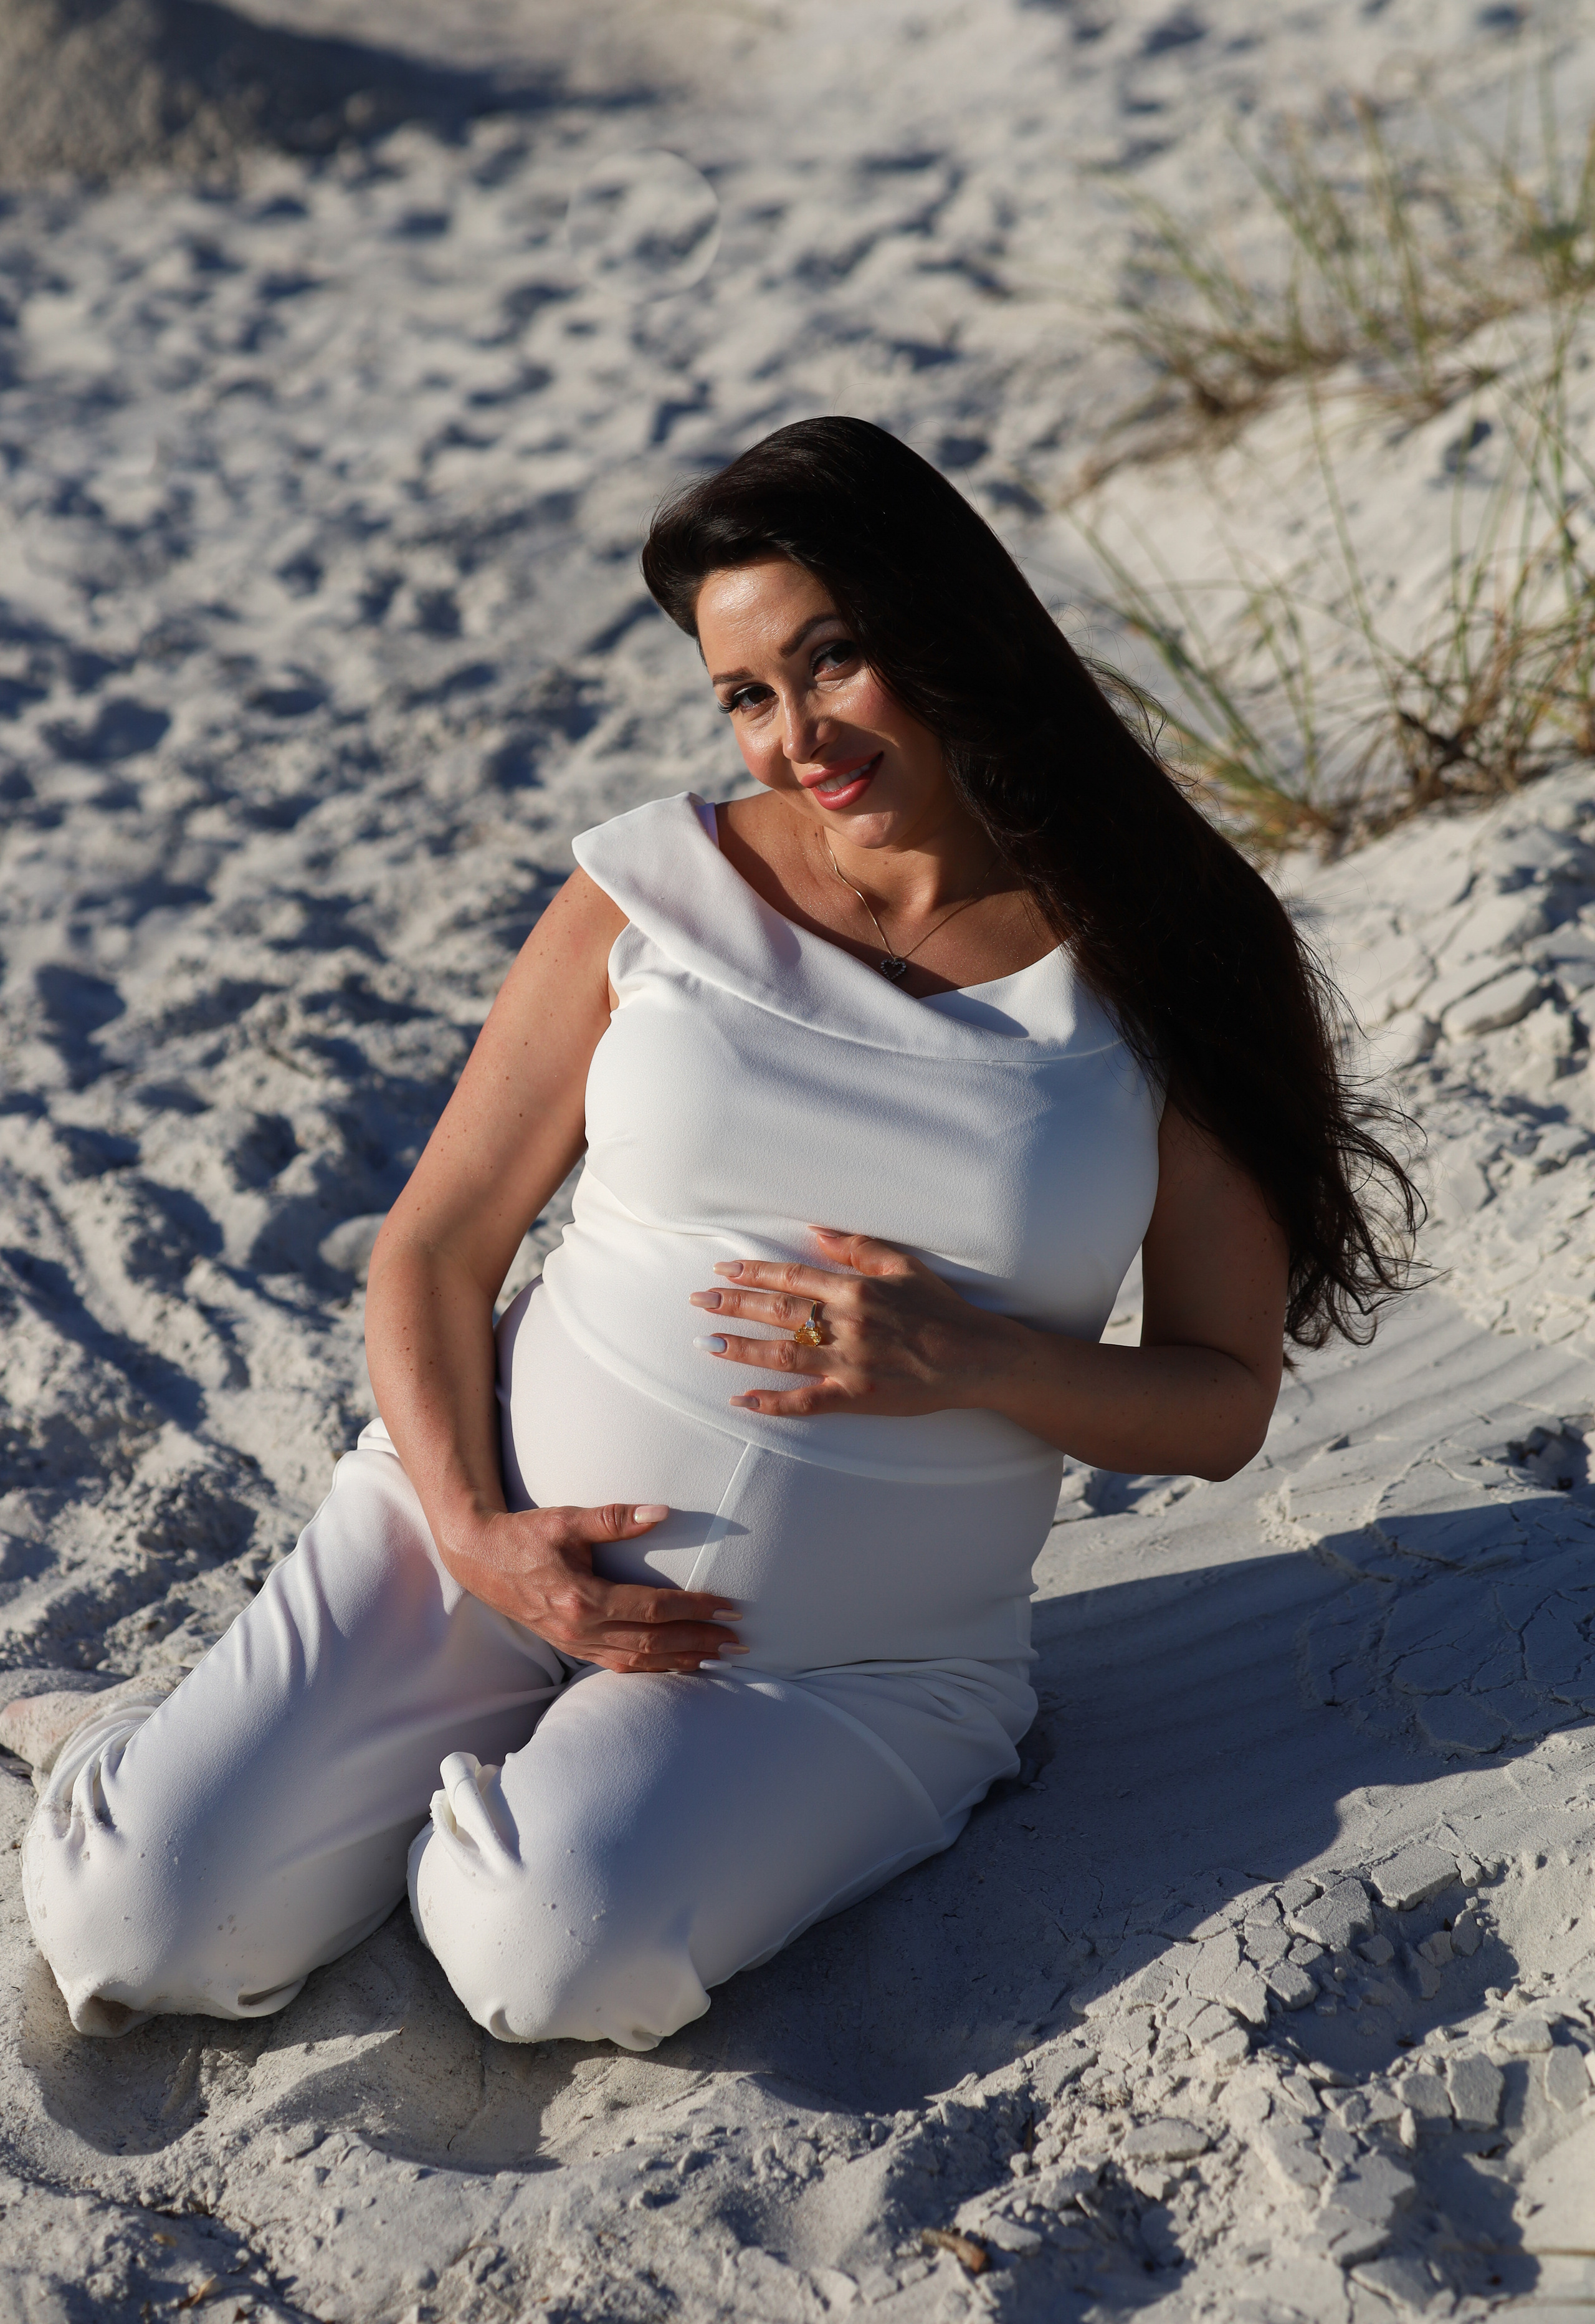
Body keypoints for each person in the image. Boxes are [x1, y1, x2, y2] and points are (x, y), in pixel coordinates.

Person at [15, 418, 1415, 2049]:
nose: (795, 735)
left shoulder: (1167, 957)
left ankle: (545, 1786)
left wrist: (975, 1355)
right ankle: (191, 1746)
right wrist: (473, 1530)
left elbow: (1224, 1399)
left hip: (841, 1661)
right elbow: (437, 1246)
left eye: (834, 663)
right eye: (746, 695)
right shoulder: (649, 889)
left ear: (950, 630)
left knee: (546, 1957)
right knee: (139, 1920)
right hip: (480, 1543)